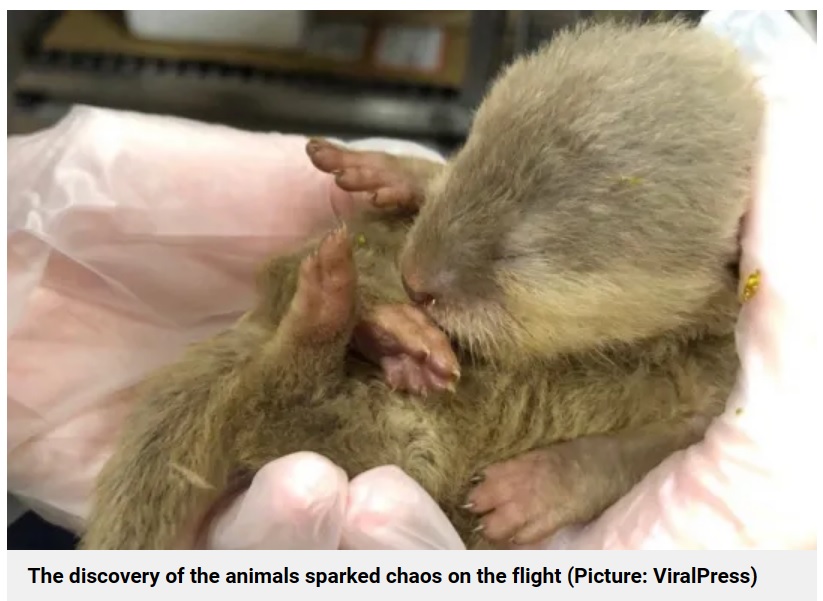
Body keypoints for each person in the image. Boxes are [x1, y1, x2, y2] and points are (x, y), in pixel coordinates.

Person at [6, 10, 818, 550]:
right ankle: (316, 338)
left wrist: (590, 469)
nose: (426, 266)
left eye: (517, 258)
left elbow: (681, 423)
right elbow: (500, 188)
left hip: (428, 454)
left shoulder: (736, 320)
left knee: (340, 463)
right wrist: (430, 182)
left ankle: (307, 352)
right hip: (358, 371)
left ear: (714, 261)